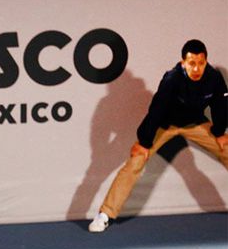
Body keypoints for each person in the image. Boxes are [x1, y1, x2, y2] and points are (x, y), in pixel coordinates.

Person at [89, 39, 228, 232]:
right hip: (165, 125)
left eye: (201, 63)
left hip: (196, 123)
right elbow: (156, 111)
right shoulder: (171, 79)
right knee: (136, 161)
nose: (196, 68)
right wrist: (144, 142)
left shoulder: (214, 77)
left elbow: (221, 106)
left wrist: (219, 132)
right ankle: (105, 214)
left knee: (226, 149)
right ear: (183, 63)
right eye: (191, 63)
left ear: (206, 62)